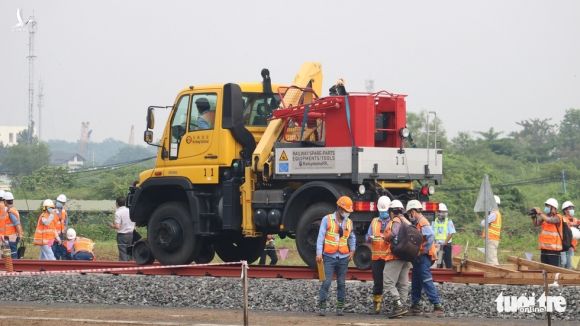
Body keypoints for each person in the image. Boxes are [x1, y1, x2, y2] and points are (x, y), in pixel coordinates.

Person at [316, 195, 356, 317]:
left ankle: (340, 308)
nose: (347, 213)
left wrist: (352, 251)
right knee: (326, 282)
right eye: (346, 211)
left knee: (341, 283)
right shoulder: (327, 219)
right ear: (339, 208)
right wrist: (318, 253)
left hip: (343, 257)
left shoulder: (349, 222)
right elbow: (320, 237)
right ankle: (322, 306)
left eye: (349, 211)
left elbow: (352, 237)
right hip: (329, 257)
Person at [406, 200, 444, 317]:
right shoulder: (418, 223)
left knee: (426, 280)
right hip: (419, 257)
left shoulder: (422, 221)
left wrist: (423, 250)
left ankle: (437, 307)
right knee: (416, 280)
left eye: (409, 213)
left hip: (424, 256)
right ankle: (415, 306)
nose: (409, 216)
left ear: (413, 212)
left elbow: (431, 236)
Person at [382, 199, 411, 318]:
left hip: (396, 256)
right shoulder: (407, 221)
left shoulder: (396, 220)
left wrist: (385, 237)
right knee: (403, 283)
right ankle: (402, 307)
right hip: (407, 256)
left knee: (388, 281)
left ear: (392, 211)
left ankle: (398, 305)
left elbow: (393, 234)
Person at [365, 195, 391, 314]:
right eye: (381, 211)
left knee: (390, 282)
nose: (383, 213)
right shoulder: (374, 222)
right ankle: (377, 304)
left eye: (385, 211)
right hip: (376, 257)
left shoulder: (392, 223)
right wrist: (370, 238)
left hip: (388, 258)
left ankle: (393, 304)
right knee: (377, 282)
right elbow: (367, 237)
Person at [532, 198, 563, 266]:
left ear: (553, 207)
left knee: (553, 271)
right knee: (544, 270)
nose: (546, 208)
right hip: (544, 249)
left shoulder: (558, 217)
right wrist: (533, 216)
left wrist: (540, 213)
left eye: (548, 206)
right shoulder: (545, 217)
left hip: (554, 250)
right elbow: (536, 224)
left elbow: (550, 220)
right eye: (546, 206)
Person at [110, 197, 135, 261]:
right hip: (131, 234)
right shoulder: (130, 210)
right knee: (129, 252)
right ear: (125, 203)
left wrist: (111, 225)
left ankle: (124, 267)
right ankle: (131, 266)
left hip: (122, 235)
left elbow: (117, 226)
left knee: (123, 253)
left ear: (117, 203)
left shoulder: (118, 212)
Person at [432, 203, 456, 268]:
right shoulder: (434, 222)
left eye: (443, 212)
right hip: (438, 245)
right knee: (439, 263)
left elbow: (451, 233)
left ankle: (449, 276)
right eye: (440, 212)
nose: (441, 214)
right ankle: (440, 276)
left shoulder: (449, 221)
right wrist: (434, 243)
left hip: (446, 245)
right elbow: (432, 234)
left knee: (448, 262)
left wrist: (444, 243)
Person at [481, 195, 502, 265]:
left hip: (491, 239)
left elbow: (483, 223)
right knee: (491, 258)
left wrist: (486, 218)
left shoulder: (494, 214)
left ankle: (496, 274)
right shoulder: (497, 214)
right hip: (493, 239)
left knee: (492, 261)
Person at [2, 192, 23, 259]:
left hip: (10, 237)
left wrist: (20, 234)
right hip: (10, 236)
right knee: (8, 253)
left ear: (5, 201)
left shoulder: (10, 211)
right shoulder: (12, 210)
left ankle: (15, 267)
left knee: (12, 252)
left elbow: (17, 224)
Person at [561, 201, 579, 269]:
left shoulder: (575, 219)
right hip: (563, 246)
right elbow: (566, 225)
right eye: (570, 208)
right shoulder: (563, 219)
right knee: (563, 263)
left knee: (570, 266)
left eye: (572, 208)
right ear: (565, 210)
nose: (572, 210)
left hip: (572, 247)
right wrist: (575, 225)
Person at [52, 194, 69, 260]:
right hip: (53, 235)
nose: (62, 204)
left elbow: (66, 221)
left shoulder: (64, 211)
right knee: (53, 250)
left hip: (61, 234)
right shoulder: (52, 210)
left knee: (59, 250)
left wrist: (65, 229)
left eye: (63, 203)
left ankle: (58, 260)